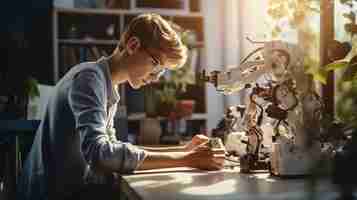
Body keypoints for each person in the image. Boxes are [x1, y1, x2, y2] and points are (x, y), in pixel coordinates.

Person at [17, 13, 225, 200]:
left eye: (161, 72)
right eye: (155, 64)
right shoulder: (89, 78)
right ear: (133, 45)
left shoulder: (108, 87)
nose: (155, 77)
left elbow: (113, 152)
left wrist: (183, 150)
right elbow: (101, 155)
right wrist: (187, 159)